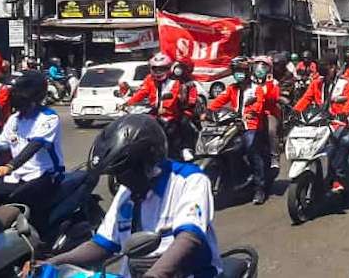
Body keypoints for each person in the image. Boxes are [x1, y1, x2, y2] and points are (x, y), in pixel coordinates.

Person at [46, 114, 221, 277]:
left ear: (146, 162)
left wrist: (155, 275)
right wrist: (54, 262)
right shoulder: (127, 193)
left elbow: (189, 238)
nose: (119, 180)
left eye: (123, 172)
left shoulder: (190, 180)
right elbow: (101, 244)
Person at [0, 70, 65, 229]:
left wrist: (10, 166)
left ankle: (41, 242)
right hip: (17, 175)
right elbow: (0, 145)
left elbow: (35, 145)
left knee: (25, 199)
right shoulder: (13, 120)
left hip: (45, 174)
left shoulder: (49, 117)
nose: (22, 108)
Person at [208, 57, 269, 204]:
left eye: (241, 71)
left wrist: (252, 111)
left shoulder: (257, 89)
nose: (238, 74)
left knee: (251, 149)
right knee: (222, 146)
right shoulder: (231, 89)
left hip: (251, 126)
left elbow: (259, 105)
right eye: (236, 71)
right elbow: (217, 102)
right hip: (234, 125)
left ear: (247, 71)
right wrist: (207, 111)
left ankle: (259, 188)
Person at [294, 53, 349, 193]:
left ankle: (337, 177)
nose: (323, 69)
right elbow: (305, 99)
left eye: (326, 66)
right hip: (319, 121)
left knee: (343, 140)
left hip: (337, 122)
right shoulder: (316, 83)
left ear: (333, 67)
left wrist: (343, 114)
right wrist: (295, 112)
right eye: (322, 66)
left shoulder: (344, 83)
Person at [127, 53, 198, 159]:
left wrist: (165, 107)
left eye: (162, 68)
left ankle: (184, 149)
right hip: (154, 113)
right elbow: (142, 92)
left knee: (181, 124)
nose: (158, 72)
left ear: (169, 68)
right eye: (155, 69)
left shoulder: (175, 81)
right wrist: (128, 103)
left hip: (172, 114)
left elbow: (172, 97)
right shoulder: (149, 79)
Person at [254, 56, 283, 169]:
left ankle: (274, 157)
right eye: (257, 66)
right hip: (254, 113)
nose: (259, 69)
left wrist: (269, 84)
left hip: (269, 112)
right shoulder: (251, 82)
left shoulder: (273, 82)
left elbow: (273, 97)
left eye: (263, 66)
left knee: (271, 131)